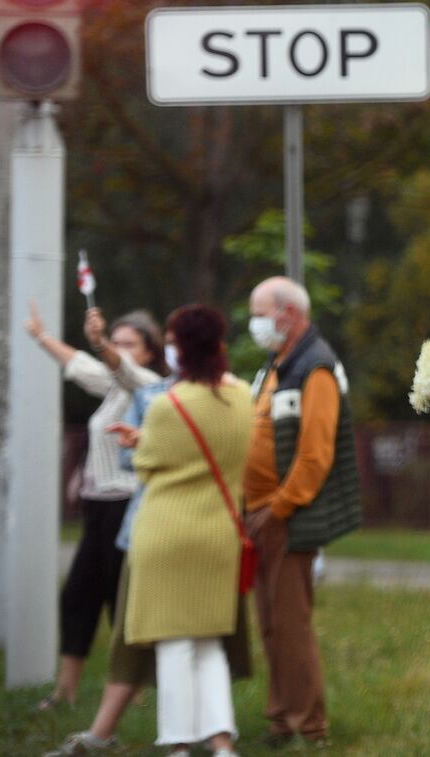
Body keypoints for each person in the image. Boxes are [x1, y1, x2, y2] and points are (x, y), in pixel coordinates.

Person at [124, 305, 252, 757]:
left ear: (181, 348)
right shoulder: (242, 399)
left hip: (167, 533)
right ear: (219, 345)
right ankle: (221, 740)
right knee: (208, 637)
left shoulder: (166, 406)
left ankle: (178, 744)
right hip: (219, 533)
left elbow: (145, 465)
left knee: (174, 641)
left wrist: (138, 443)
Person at [24, 303, 165, 710]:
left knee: (121, 601)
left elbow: (118, 368)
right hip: (97, 508)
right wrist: (40, 336)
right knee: (78, 596)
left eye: (129, 343)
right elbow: (82, 365)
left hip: (127, 507)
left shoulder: (147, 384)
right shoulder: (112, 387)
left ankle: (134, 693)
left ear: (149, 352)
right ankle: (65, 692)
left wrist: (102, 342)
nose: (121, 349)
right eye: (117, 341)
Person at [243, 276, 362, 748]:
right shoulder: (279, 364)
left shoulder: (315, 368)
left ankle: (310, 726)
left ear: (287, 314)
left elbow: (315, 455)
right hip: (261, 514)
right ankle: (280, 717)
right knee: (271, 623)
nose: (254, 325)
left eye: (258, 314)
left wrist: (278, 506)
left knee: (290, 624)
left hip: (284, 517)